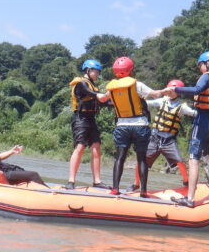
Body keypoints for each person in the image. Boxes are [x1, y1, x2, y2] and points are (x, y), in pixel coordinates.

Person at [164, 51, 209, 207]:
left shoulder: (207, 76)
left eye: (201, 64)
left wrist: (177, 89)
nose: (200, 67)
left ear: (207, 63)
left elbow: (196, 90)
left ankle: (190, 199)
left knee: (194, 159)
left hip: (202, 119)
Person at [104, 56, 164, 197]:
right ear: (130, 70)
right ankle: (143, 191)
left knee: (120, 157)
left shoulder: (112, 88)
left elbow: (102, 98)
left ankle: (115, 189)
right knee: (141, 158)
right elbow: (155, 94)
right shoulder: (137, 84)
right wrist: (166, 90)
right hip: (140, 126)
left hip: (122, 126)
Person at [130, 79, 195, 191]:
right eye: (168, 90)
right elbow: (148, 103)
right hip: (154, 138)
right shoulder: (163, 101)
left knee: (179, 161)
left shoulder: (182, 106)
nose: (169, 92)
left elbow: (194, 113)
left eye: (172, 90)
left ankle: (186, 181)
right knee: (141, 160)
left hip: (169, 140)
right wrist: (138, 99)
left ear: (178, 92)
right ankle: (136, 183)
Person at [65, 59, 110, 189]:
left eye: (99, 72)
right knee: (80, 147)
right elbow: (90, 93)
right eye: (96, 71)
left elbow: (102, 102)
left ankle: (97, 181)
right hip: (80, 118)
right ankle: (71, 181)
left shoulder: (93, 85)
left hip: (91, 119)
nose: (97, 74)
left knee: (96, 146)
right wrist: (102, 95)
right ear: (88, 70)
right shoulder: (81, 84)